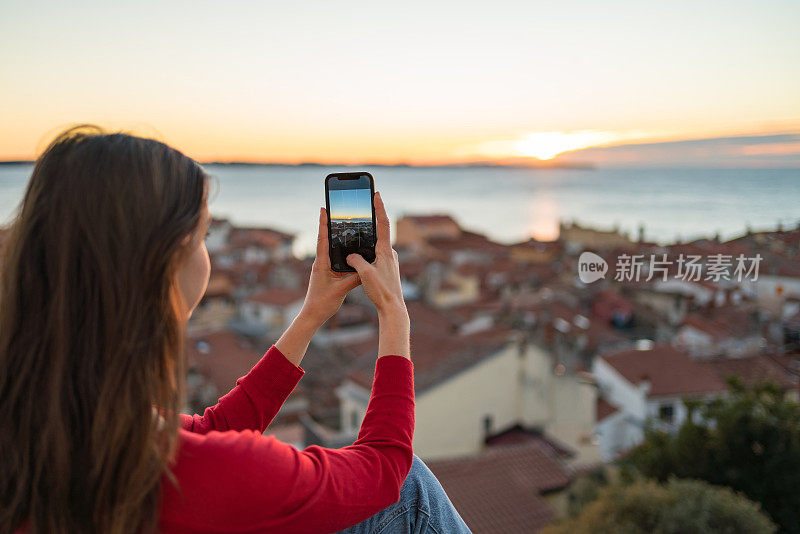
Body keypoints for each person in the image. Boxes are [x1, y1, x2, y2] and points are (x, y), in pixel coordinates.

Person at [0, 125, 471, 534]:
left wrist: (309, 317)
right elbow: (386, 468)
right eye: (203, 236)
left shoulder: (54, 419)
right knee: (411, 492)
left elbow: (207, 431)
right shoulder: (197, 476)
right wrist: (394, 315)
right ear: (159, 267)